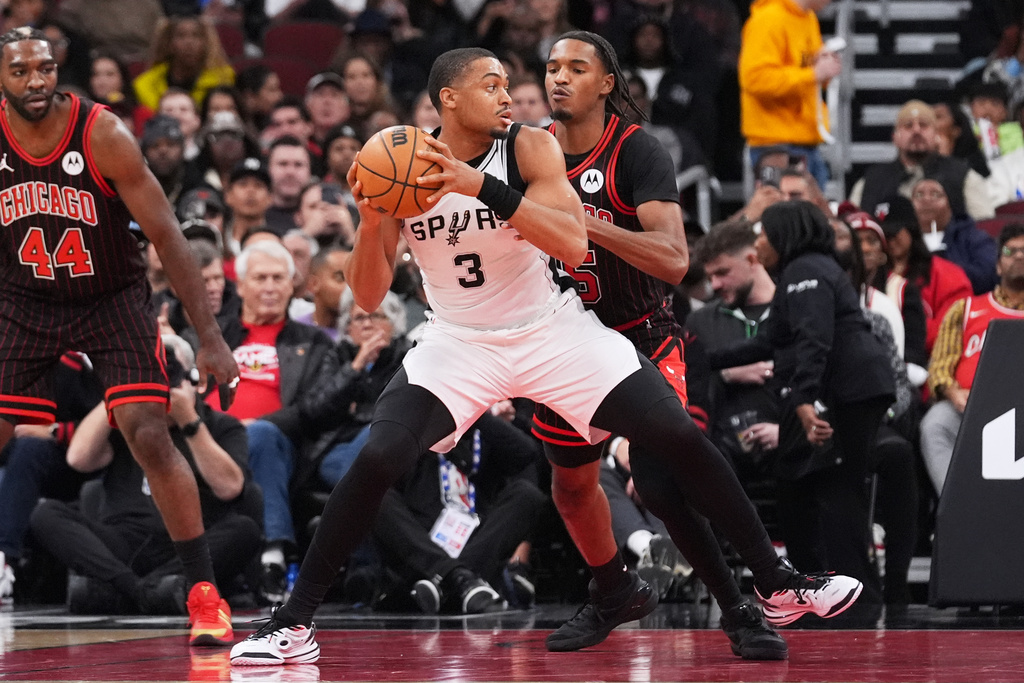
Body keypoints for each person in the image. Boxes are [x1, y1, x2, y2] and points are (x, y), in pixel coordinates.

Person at [230, 45, 864, 668]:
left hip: (549, 330)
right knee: (379, 456)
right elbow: (366, 292)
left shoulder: (529, 145)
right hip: (457, 340)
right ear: (449, 98)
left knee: (673, 432)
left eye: (508, 84)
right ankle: (292, 624)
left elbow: (571, 243)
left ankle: (776, 582)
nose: (508, 96)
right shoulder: (404, 160)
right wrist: (372, 221)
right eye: (491, 85)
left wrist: (478, 184)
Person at [539, 31, 784, 658]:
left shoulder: (635, 150)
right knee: (570, 487)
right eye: (551, 67)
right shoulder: (527, 154)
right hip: (560, 346)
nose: (559, 77)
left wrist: (581, 221)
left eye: (576, 67)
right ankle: (612, 591)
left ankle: (743, 606)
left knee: (659, 480)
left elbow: (676, 260)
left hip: (637, 336)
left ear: (607, 83)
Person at [0, 27, 239, 645]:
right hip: (26, 298)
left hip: (110, 299)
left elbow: (167, 235)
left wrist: (209, 338)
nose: (36, 82)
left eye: (45, 70)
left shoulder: (100, 132)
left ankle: (204, 595)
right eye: (21, 71)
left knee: (147, 430)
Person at [707, 201, 896, 617]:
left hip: (850, 389)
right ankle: (814, 591)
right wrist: (704, 355)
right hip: (850, 388)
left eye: (764, 235)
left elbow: (814, 340)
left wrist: (807, 401)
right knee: (800, 484)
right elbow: (772, 339)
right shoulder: (802, 272)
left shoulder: (807, 269)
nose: (758, 245)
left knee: (837, 492)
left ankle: (857, 601)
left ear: (785, 234)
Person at [29, 335, 261, 615]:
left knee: (244, 530)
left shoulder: (220, 426)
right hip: (124, 541)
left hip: (186, 545)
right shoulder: (127, 419)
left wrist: (189, 420)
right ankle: (145, 592)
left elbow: (230, 487)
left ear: (190, 380)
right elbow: (79, 459)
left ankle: (122, 591)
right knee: (46, 514)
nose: (159, 391)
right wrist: (118, 392)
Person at [921, 223, 1024, 494]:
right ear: (998, 265)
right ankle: (955, 505)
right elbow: (940, 367)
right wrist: (953, 393)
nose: (1019, 256)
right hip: (969, 408)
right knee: (935, 423)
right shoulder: (965, 309)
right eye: (1010, 251)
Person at [738, 0, 840, 190]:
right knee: (781, 215)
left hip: (806, 140)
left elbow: (809, 77)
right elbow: (755, 79)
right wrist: (814, 74)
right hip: (775, 146)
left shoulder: (808, 19)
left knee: (813, 216)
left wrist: (824, 68)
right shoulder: (768, 19)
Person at [850, 100, 995, 222]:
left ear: (936, 135)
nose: (916, 131)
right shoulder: (871, 180)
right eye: (908, 126)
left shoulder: (964, 176)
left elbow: (985, 226)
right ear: (895, 137)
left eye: (924, 125)